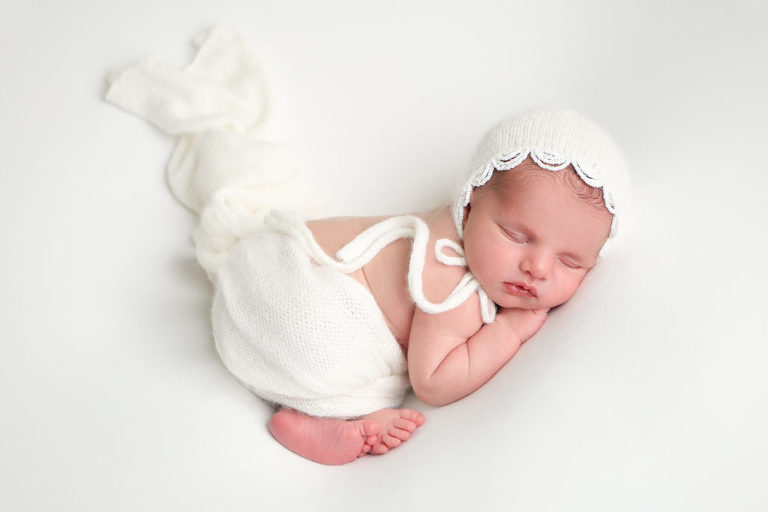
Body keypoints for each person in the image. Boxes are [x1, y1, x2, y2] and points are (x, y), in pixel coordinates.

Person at [105, 27, 631, 467]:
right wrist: (511, 331)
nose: (536, 267)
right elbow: (434, 381)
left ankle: (300, 410)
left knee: (334, 350)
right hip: (293, 290)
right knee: (345, 356)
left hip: (266, 278)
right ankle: (325, 414)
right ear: (467, 204)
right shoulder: (449, 275)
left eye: (570, 261)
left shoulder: (454, 230)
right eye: (517, 235)